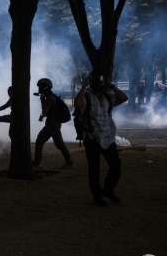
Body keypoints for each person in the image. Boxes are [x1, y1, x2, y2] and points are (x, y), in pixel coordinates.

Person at [74, 70, 128, 207]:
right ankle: (97, 196)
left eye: (100, 81)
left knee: (115, 164)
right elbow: (78, 103)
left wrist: (111, 85)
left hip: (108, 136)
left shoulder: (108, 97)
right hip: (91, 137)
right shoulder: (86, 96)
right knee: (94, 168)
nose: (97, 84)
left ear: (104, 82)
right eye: (95, 81)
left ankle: (108, 190)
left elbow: (124, 98)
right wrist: (84, 85)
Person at [32, 78, 74, 170]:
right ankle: (36, 162)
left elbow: (44, 111)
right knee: (39, 141)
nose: (39, 89)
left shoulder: (50, 98)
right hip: (51, 125)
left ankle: (69, 161)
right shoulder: (51, 96)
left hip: (53, 125)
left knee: (59, 144)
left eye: (40, 87)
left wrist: (42, 100)